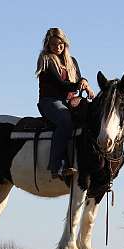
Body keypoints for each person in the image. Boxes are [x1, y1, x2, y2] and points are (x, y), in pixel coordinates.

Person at [36, 28, 95, 179]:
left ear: (65, 43)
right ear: (48, 45)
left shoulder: (72, 61)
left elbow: (79, 78)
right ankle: (56, 166)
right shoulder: (47, 60)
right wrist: (80, 85)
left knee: (91, 116)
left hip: (69, 101)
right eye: (53, 45)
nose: (57, 47)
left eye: (60, 44)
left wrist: (85, 83)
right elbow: (61, 84)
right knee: (65, 120)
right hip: (50, 101)